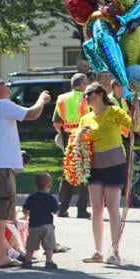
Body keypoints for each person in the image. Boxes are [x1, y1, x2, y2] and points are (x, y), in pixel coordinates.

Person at [0, 75, 50, 269]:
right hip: (0, 167)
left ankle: (1, 256)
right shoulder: (0, 105)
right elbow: (32, 114)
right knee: (1, 209)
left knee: (1, 212)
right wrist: (42, 99)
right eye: (2, 83)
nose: (6, 86)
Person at [79, 82, 132, 265]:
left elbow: (134, 127)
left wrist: (136, 105)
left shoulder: (113, 111)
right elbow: (78, 142)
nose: (86, 97)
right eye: (85, 94)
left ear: (101, 94)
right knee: (96, 208)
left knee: (112, 207)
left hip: (114, 163)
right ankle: (97, 251)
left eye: (90, 93)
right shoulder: (85, 118)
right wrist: (79, 136)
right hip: (94, 165)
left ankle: (115, 250)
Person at [52, 73, 90, 218]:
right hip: (84, 137)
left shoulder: (62, 98)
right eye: (86, 83)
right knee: (84, 171)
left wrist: (64, 135)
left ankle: (62, 208)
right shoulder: (87, 98)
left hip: (68, 138)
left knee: (68, 171)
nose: (88, 85)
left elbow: (56, 122)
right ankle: (81, 209)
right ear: (80, 85)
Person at [109, 79, 140, 208]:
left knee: (127, 169)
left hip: (124, 138)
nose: (124, 88)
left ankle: (130, 197)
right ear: (114, 87)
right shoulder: (109, 101)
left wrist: (137, 126)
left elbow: (127, 118)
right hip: (115, 139)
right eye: (122, 86)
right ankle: (127, 198)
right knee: (121, 170)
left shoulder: (123, 101)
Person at [21, 172, 59, 270]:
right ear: (49, 185)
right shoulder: (51, 198)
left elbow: (25, 209)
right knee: (49, 244)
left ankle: (28, 261)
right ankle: (49, 262)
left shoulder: (32, 197)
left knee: (31, 245)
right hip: (47, 225)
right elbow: (55, 211)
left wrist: (26, 214)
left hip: (34, 225)